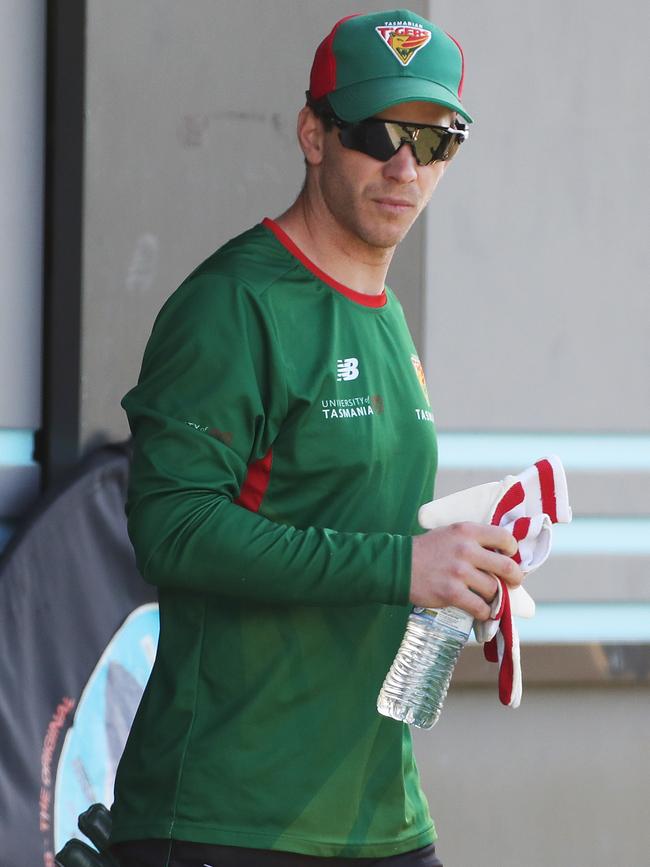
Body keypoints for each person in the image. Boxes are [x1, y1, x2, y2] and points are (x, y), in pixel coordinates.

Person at [109, 10, 523, 867]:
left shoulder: (386, 314)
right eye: (376, 132)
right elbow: (171, 527)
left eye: (436, 139)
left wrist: (461, 577)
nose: (405, 164)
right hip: (231, 814)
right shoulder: (233, 303)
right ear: (313, 134)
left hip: (377, 807)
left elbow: (348, 524)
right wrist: (402, 565)